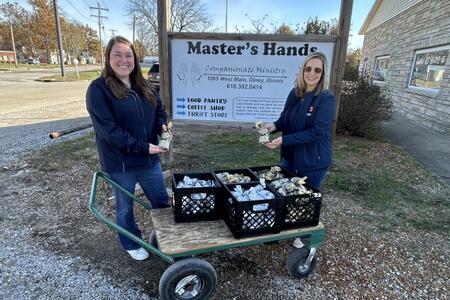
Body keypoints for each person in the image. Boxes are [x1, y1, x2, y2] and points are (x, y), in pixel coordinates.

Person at [86, 36, 171, 261]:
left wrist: (163, 126)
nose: (124, 60)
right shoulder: (98, 90)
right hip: (121, 163)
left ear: (135, 59)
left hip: (149, 160)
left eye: (128, 55)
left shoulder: (145, 86)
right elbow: (109, 131)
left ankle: (166, 235)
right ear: (108, 58)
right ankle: (130, 242)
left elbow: (160, 111)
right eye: (118, 55)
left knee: (161, 201)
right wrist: (143, 147)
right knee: (124, 208)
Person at [265, 52, 336, 191]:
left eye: (317, 70)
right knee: (284, 197)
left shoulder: (326, 97)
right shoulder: (295, 93)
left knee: (304, 203)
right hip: (289, 159)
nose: (312, 73)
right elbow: (284, 119)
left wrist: (284, 139)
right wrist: (273, 126)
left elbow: (317, 132)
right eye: (308, 69)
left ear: (323, 73)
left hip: (312, 163)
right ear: (302, 71)